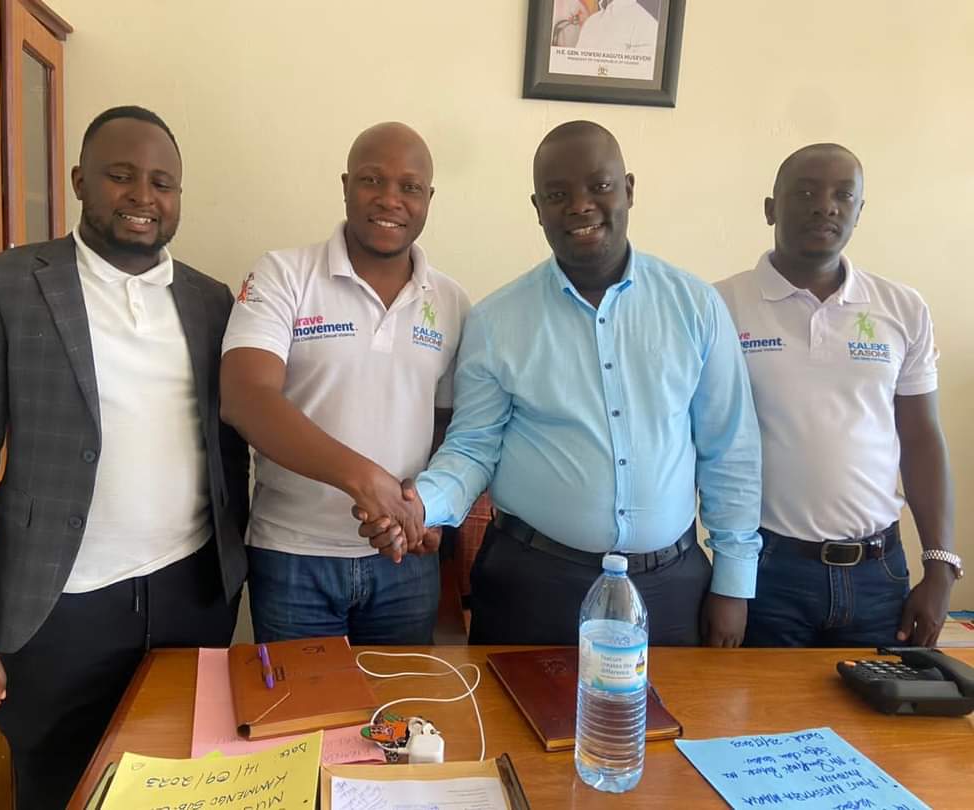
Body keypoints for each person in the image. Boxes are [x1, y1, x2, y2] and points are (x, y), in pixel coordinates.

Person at [0, 106, 249, 809]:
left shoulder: (210, 300)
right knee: (60, 786)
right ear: (79, 181)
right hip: (58, 607)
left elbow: (231, 447)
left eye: (163, 183)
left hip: (190, 596)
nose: (143, 196)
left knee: (185, 785)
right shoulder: (4, 286)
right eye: (121, 176)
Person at [359, 120, 762, 647]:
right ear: (538, 208)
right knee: (518, 729)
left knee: (665, 730)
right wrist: (419, 506)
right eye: (557, 194)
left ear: (629, 190)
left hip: (670, 587)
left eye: (600, 186)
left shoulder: (694, 306)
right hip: (533, 586)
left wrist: (733, 583)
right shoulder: (498, 319)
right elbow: (473, 449)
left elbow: (730, 450)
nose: (580, 205)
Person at [220, 122, 469, 645]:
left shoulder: (451, 301)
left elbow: (451, 426)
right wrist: (363, 480)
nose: (390, 199)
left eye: (410, 187)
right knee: (302, 726)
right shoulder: (283, 274)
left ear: (429, 199)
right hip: (293, 558)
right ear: (345, 185)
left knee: (402, 720)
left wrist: (431, 508)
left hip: (403, 558)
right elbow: (245, 397)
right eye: (371, 180)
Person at [716, 143, 961, 648]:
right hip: (767, 573)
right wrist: (726, 581)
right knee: (761, 723)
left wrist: (940, 567)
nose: (825, 206)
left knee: (876, 725)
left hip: (879, 575)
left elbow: (921, 438)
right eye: (804, 192)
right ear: (770, 208)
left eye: (842, 196)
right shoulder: (719, 305)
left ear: (859, 212)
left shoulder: (902, 308)